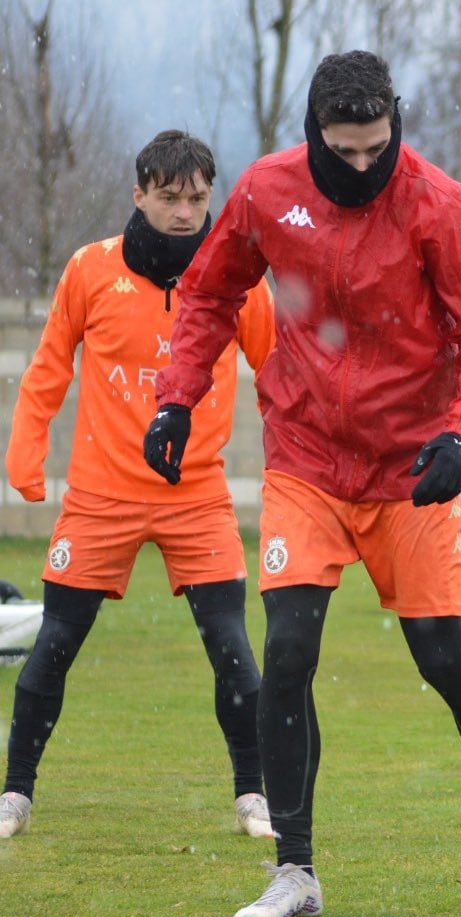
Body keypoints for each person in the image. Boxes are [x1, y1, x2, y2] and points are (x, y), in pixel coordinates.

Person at [143, 50, 461, 917]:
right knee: (287, 652)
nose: (365, 165)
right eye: (346, 150)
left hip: (411, 467)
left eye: (378, 147)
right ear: (314, 133)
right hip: (306, 460)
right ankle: (295, 868)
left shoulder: (438, 205)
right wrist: (176, 397)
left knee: (442, 660)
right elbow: (211, 294)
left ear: (395, 124)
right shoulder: (265, 192)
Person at [2, 131, 275, 841]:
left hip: (197, 495)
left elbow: (283, 378)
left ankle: (253, 793)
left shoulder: (237, 280)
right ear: (139, 195)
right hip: (100, 495)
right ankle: (14, 794)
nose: (184, 213)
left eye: (196, 198)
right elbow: (48, 369)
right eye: (168, 197)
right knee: (55, 642)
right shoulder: (90, 270)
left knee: (232, 647)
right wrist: (25, 455)